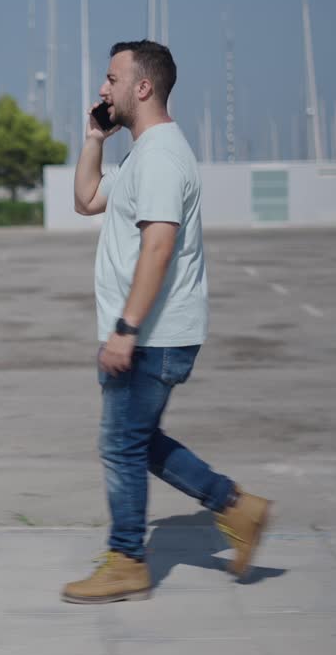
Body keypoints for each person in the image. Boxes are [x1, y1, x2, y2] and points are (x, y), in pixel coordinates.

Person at [61, 40, 271, 604]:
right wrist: (94, 139)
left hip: (151, 335)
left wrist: (126, 331)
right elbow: (84, 200)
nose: (103, 89)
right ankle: (238, 508)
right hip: (152, 332)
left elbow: (158, 247)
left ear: (142, 87)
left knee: (121, 446)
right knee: (138, 441)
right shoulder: (141, 155)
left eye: (112, 78)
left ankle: (128, 558)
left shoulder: (159, 157)